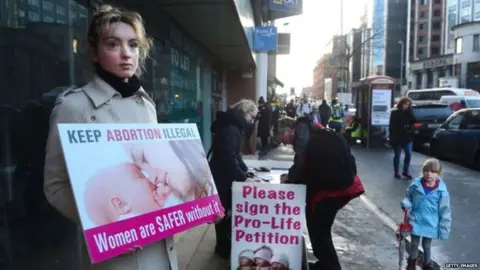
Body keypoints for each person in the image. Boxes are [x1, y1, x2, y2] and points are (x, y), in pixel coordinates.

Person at [43, 5, 185, 269]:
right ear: (93, 53)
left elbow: (156, 167)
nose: (126, 54)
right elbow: (55, 185)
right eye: (113, 44)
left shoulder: (146, 103)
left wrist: (197, 204)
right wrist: (106, 227)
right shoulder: (74, 107)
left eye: (133, 45)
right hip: (119, 256)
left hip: (161, 245)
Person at [277, 114, 364, 270]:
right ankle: (325, 264)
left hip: (331, 190)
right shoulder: (309, 130)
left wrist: (291, 177)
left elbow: (302, 163)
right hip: (335, 185)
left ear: (289, 130)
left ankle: (330, 266)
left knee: (319, 229)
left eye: (281, 136)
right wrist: (291, 176)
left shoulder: (302, 134)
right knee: (318, 227)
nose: (282, 141)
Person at [209, 99, 258, 259]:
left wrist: (245, 171)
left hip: (222, 174)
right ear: (245, 112)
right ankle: (223, 247)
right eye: (252, 116)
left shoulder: (231, 125)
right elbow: (229, 157)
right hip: (222, 177)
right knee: (224, 212)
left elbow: (235, 154)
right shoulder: (231, 128)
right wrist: (243, 177)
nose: (252, 121)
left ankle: (224, 245)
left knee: (225, 211)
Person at [401, 158, 451, 270]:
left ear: (439, 174)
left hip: (430, 223)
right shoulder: (415, 186)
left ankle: (427, 264)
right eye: (426, 170)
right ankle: (411, 263)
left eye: (433, 172)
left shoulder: (442, 192)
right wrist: (406, 204)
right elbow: (408, 197)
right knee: (414, 243)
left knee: (426, 245)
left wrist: (444, 229)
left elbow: (445, 211)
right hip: (415, 220)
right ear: (422, 171)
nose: (429, 174)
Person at [389, 96, 416, 179]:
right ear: (401, 104)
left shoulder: (409, 112)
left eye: (408, 104)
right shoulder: (395, 113)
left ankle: (405, 171)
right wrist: (391, 138)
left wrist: (410, 112)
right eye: (405, 104)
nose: (406, 106)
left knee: (408, 154)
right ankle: (396, 172)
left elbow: (414, 121)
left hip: (407, 137)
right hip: (398, 137)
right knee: (397, 155)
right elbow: (392, 126)